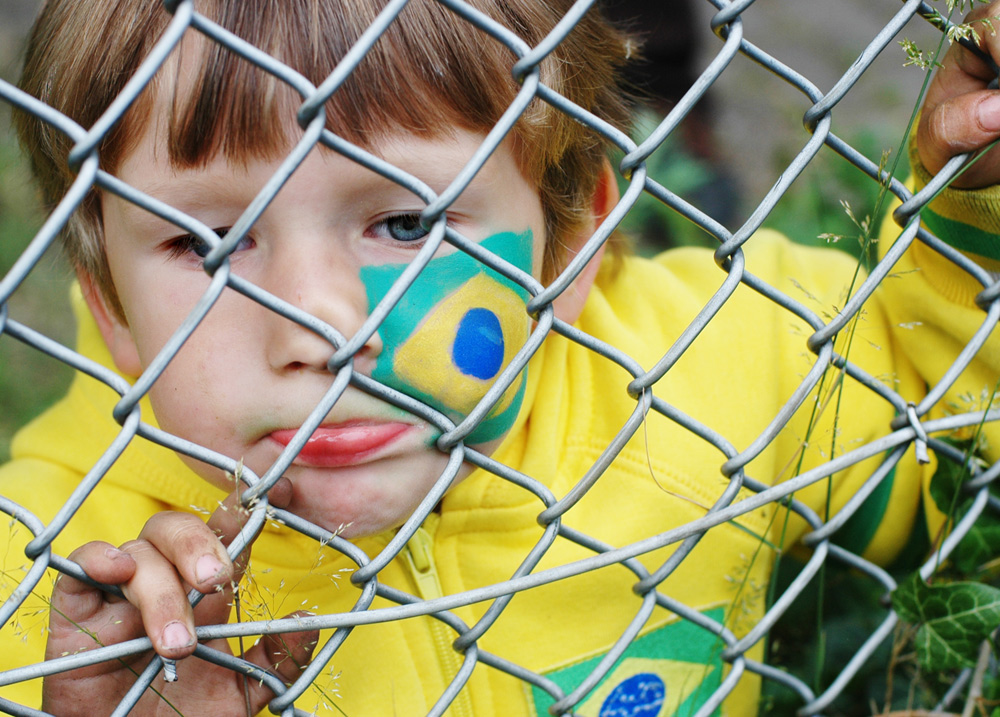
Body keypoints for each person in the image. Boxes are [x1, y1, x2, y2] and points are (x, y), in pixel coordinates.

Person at [1, 0, 998, 714]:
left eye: (404, 221)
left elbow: (943, 401)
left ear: (568, 250)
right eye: (210, 245)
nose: (318, 332)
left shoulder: (717, 368)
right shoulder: (55, 589)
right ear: (110, 310)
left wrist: (978, 194)